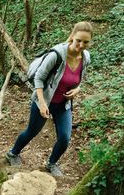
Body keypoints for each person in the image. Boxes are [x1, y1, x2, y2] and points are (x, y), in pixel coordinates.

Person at [6, 22, 93, 178]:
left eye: (86, 42)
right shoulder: (57, 55)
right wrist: (42, 103)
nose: (81, 45)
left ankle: (51, 163)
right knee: (32, 132)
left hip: (63, 104)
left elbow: (80, 78)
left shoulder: (86, 57)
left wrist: (78, 89)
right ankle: (13, 153)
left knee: (65, 138)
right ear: (72, 37)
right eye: (79, 40)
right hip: (43, 101)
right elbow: (38, 78)